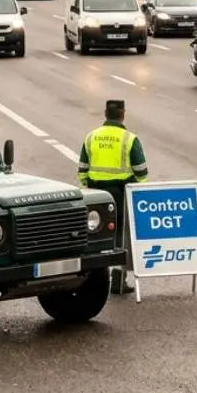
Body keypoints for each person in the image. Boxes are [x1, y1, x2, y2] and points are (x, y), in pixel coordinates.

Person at [77, 99, 148, 295]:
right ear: (123, 114)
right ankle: (117, 281)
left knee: (94, 235)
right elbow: (141, 172)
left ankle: (90, 281)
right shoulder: (129, 139)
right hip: (119, 193)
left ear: (105, 114)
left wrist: (89, 188)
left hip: (95, 194)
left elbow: (82, 169)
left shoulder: (91, 137)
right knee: (119, 237)